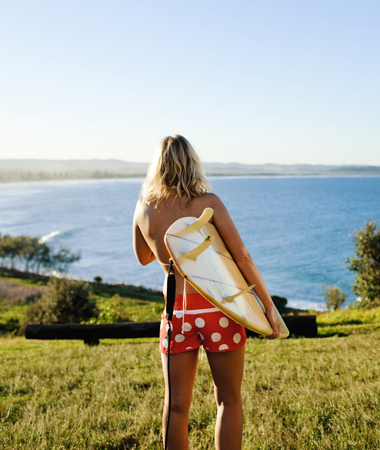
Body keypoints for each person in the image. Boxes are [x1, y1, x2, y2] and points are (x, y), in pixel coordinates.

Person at [132, 135, 281, 450]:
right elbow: (241, 256)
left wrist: (159, 234)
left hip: (177, 314)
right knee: (228, 399)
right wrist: (267, 306)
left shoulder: (145, 206)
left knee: (175, 406)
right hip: (220, 309)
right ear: (191, 163)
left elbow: (143, 257)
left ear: (156, 166)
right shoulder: (208, 203)